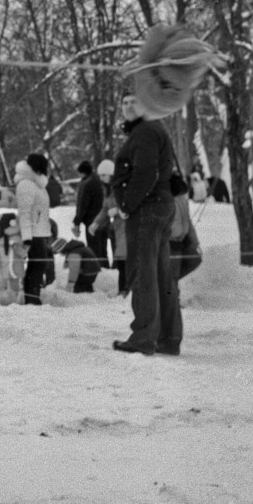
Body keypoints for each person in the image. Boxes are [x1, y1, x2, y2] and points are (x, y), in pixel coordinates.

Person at [111, 91, 182, 355]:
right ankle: (168, 338)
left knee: (144, 274)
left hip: (147, 210)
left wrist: (128, 204)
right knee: (162, 274)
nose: (129, 107)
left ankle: (143, 338)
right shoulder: (154, 128)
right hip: (161, 206)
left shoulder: (144, 132)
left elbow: (145, 171)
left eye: (134, 102)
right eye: (125, 103)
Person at [14, 153, 52, 305]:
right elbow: (25, 212)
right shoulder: (27, 184)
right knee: (37, 264)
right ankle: (31, 297)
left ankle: (32, 296)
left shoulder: (37, 183)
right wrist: (27, 237)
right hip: (33, 232)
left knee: (37, 265)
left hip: (39, 230)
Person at [90, 161, 128, 296]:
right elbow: (105, 209)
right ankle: (124, 289)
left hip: (128, 228)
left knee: (124, 260)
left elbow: (130, 205)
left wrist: (118, 211)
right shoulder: (108, 190)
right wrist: (96, 223)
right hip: (118, 230)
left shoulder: (123, 187)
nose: (101, 178)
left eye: (103, 175)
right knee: (122, 260)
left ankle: (125, 290)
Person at [0, 212, 25, 305]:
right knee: (8, 293)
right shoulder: (4, 237)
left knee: (10, 292)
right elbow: (23, 254)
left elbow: (23, 254)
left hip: (8, 270)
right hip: (7, 270)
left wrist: (15, 246)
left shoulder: (8, 237)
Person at [72, 160, 105, 257]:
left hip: (91, 220)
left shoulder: (86, 184)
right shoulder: (98, 181)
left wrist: (77, 221)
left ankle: (96, 268)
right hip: (103, 218)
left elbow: (83, 204)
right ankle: (105, 267)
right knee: (102, 247)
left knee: (94, 248)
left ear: (82, 172)